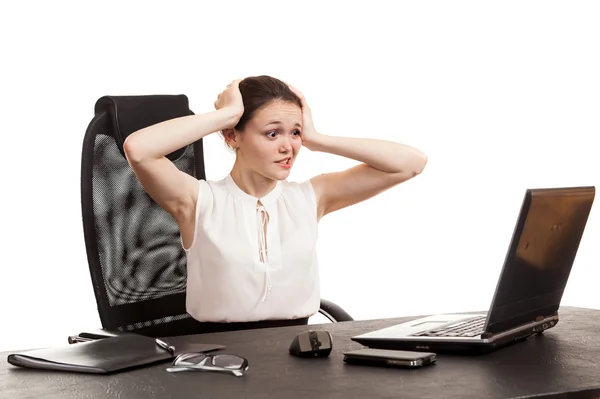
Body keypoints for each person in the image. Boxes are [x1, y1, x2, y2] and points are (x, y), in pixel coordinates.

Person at [123, 75, 427, 330]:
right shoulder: (198, 200)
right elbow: (138, 149)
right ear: (233, 136)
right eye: (272, 133)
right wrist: (225, 115)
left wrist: (317, 139)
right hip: (219, 362)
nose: (289, 147)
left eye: (295, 133)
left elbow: (411, 163)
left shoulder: (311, 197)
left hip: (300, 356)